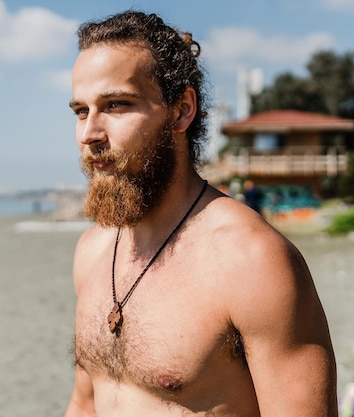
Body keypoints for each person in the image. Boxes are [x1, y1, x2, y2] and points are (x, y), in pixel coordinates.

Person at [65, 10, 337, 416]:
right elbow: (84, 405)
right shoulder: (92, 252)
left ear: (181, 110)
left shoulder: (251, 261)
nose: (89, 133)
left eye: (116, 104)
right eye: (81, 111)